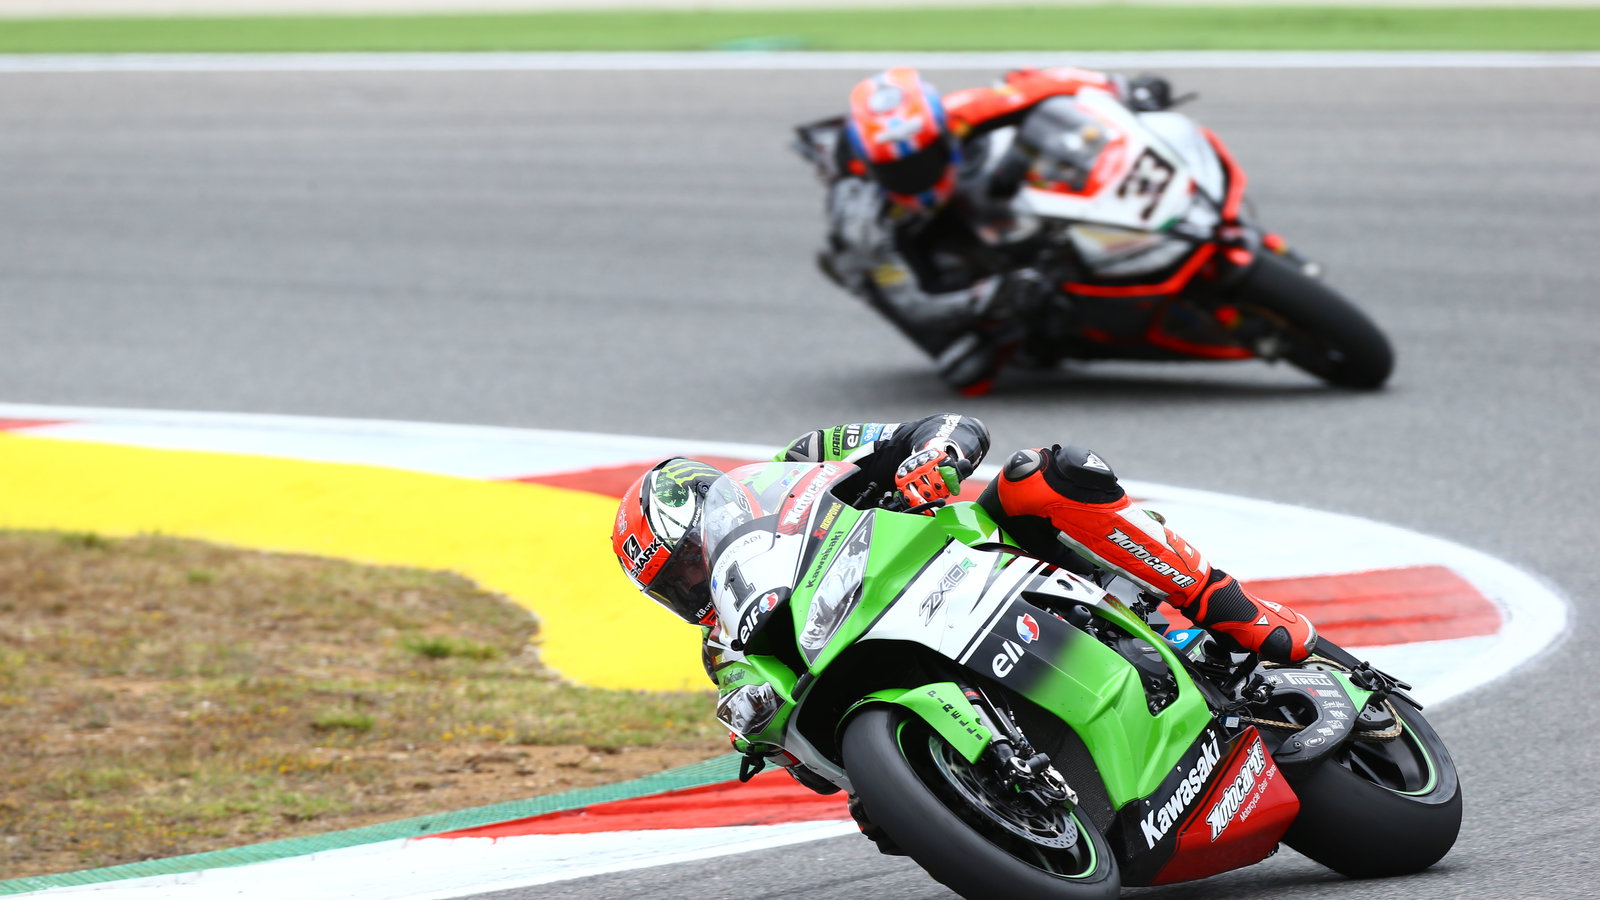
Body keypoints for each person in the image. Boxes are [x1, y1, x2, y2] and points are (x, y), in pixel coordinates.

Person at [610, 413, 1316, 671]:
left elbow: (945, 426)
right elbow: (788, 751)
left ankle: (1236, 612)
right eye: (676, 586)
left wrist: (935, 457)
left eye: (691, 559)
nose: (697, 583)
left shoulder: (804, 462)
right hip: (905, 655)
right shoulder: (731, 650)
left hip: (980, 558)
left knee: (1045, 474)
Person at [806, 66, 1177, 395]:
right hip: (897, 234)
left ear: (942, 134)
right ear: (872, 168)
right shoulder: (861, 217)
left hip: (963, 181)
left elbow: (1036, 83)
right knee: (967, 368)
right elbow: (912, 301)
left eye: (925, 160)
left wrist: (1122, 87)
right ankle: (959, 335)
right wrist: (986, 296)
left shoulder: (959, 115)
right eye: (899, 172)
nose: (917, 178)